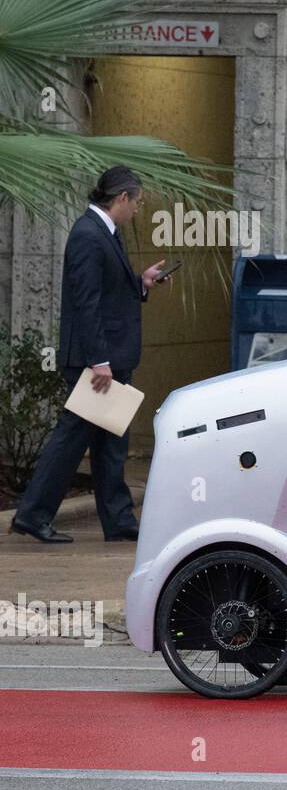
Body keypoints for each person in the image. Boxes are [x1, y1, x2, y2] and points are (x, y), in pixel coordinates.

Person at [9, 166, 168, 543]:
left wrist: (142, 283)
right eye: (137, 202)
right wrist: (99, 361)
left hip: (110, 359)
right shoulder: (87, 235)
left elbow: (109, 291)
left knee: (112, 441)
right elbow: (86, 303)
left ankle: (118, 520)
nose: (138, 210)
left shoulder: (105, 233)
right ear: (121, 198)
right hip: (97, 362)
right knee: (73, 437)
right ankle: (32, 514)